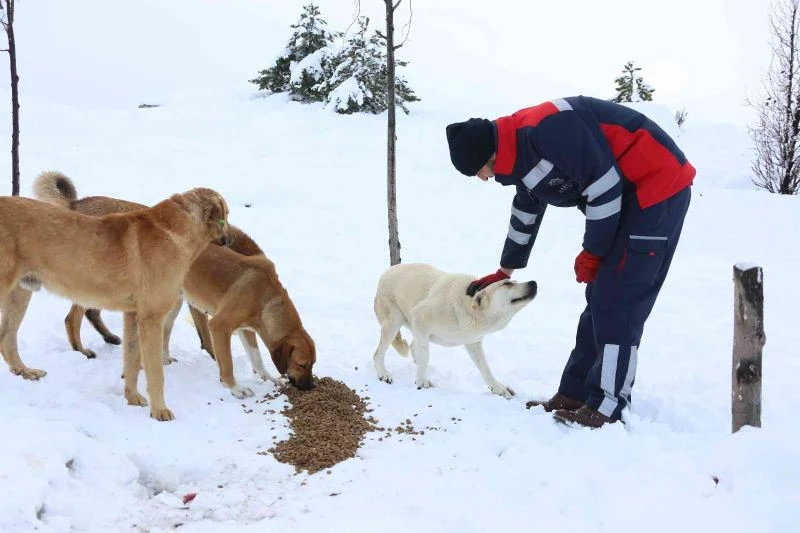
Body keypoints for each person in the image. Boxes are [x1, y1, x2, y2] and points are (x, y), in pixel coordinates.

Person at [445, 96, 694, 429]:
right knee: (600, 298)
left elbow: (604, 187)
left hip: (655, 189)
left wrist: (593, 252)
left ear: (488, 155)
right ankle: (576, 394)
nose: (484, 178)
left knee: (618, 298)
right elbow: (526, 207)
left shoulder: (548, 129)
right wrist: (505, 270)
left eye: (479, 171)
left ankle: (608, 406)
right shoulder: (519, 148)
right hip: (627, 197)